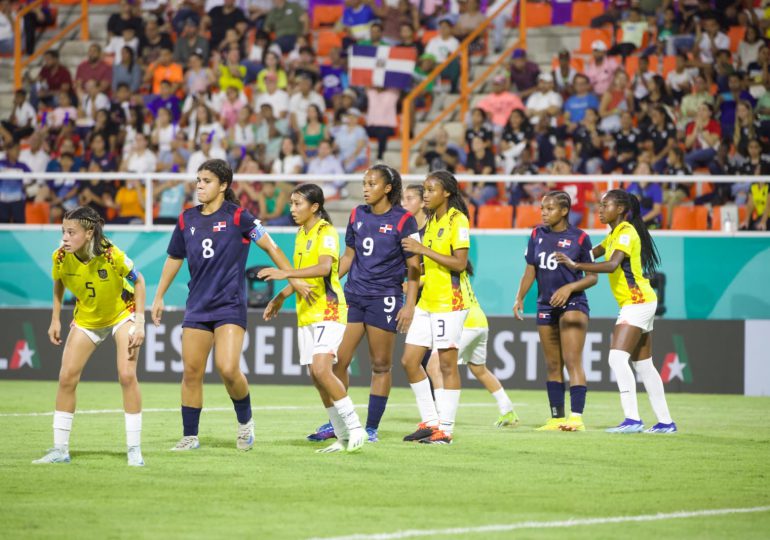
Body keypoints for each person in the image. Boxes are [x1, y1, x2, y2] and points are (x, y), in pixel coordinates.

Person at [151, 159, 314, 451]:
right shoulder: (186, 219)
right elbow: (174, 258)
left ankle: (245, 424)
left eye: (207, 181)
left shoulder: (240, 217)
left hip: (229, 305)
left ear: (223, 185)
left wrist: (293, 278)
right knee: (191, 372)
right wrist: (159, 295)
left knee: (227, 368)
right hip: (198, 306)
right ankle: (190, 436)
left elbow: (271, 246)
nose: (199, 185)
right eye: (198, 180)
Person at [307, 165, 421, 444]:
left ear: (388, 188)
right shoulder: (357, 214)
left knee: (381, 365)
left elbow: (414, 266)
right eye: (364, 183)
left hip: (385, 298)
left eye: (372, 183)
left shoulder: (405, 220)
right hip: (353, 295)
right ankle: (338, 422)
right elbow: (348, 256)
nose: (366, 188)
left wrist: (409, 305)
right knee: (337, 361)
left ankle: (370, 428)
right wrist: (330, 283)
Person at [555, 189, 677, 434]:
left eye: (605, 205)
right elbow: (591, 252)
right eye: (600, 206)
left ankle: (632, 419)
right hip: (640, 301)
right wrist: (563, 246)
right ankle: (665, 422)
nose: (600, 210)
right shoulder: (613, 234)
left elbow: (611, 265)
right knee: (644, 365)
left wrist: (575, 265)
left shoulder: (625, 232)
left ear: (620, 209)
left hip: (637, 301)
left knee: (616, 358)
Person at [33, 206, 147, 466]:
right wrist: (55, 319)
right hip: (87, 319)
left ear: (89, 233)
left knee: (127, 375)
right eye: (63, 231)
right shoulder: (61, 257)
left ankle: (134, 450)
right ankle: (60, 450)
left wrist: (139, 323)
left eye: (71, 232)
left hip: (122, 314)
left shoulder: (110, 253)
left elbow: (138, 281)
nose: (64, 237)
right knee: (66, 377)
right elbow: (59, 281)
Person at [260, 184, 367, 454]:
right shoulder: (301, 233)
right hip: (306, 312)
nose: (292, 209)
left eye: (298, 204)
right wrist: (283, 296)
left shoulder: (326, 232)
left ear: (315, 207)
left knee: (322, 369)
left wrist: (286, 275)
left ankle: (355, 427)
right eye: (292, 204)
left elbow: (324, 268)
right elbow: (302, 275)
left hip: (329, 309)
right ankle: (341, 436)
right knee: (316, 377)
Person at [398, 170, 473, 445]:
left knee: (446, 364)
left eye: (431, 190)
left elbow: (460, 263)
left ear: (447, 193)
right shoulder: (429, 222)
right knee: (409, 360)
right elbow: (425, 266)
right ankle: (431, 422)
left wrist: (423, 250)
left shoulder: (458, 220)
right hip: (427, 302)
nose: (425, 195)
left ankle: (446, 429)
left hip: (450, 302)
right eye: (425, 190)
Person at [513, 191, 597, 432]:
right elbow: (530, 269)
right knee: (552, 363)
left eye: (550, 209)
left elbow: (592, 277)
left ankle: (576, 418)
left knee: (572, 360)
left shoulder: (580, 238)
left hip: (573, 303)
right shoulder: (536, 234)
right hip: (545, 304)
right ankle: (556, 418)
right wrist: (520, 297)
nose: (544, 213)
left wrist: (570, 287)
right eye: (542, 208)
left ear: (564, 211)